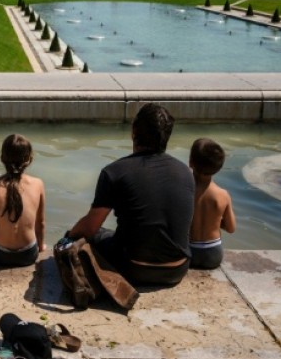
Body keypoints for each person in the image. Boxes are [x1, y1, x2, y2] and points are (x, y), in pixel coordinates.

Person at [66, 103, 194, 286]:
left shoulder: (114, 172)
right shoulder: (185, 173)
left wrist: (70, 234)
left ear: (133, 132)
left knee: (85, 236)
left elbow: (90, 228)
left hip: (132, 269)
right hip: (177, 270)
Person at [0, 134, 47, 267]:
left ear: (2, 158)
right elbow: (41, 223)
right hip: (28, 254)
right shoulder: (38, 184)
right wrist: (41, 246)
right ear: (29, 159)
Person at [188, 138, 236, 269]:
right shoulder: (223, 195)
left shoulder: (185, 191)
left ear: (191, 162)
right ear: (218, 167)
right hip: (213, 254)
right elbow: (231, 228)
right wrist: (215, 219)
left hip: (189, 253)